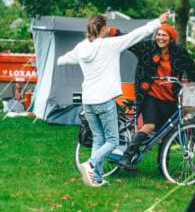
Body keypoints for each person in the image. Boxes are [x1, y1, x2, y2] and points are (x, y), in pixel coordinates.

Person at [57, 12, 169, 186]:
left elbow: (63, 60)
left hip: (88, 102)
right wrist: (157, 22)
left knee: (99, 139)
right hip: (104, 100)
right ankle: (91, 163)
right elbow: (136, 34)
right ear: (102, 29)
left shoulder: (81, 48)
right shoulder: (110, 45)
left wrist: (60, 60)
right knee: (112, 141)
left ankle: (97, 179)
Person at [117, 23, 195, 170]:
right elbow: (130, 42)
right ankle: (125, 158)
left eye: (163, 35)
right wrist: (115, 32)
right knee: (150, 125)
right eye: (158, 34)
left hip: (170, 98)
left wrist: (191, 85)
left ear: (171, 38)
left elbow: (190, 66)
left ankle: (162, 166)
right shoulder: (148, 47)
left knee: (167, 133)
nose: (160, 37)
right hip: (150, 95)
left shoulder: (178, 52)